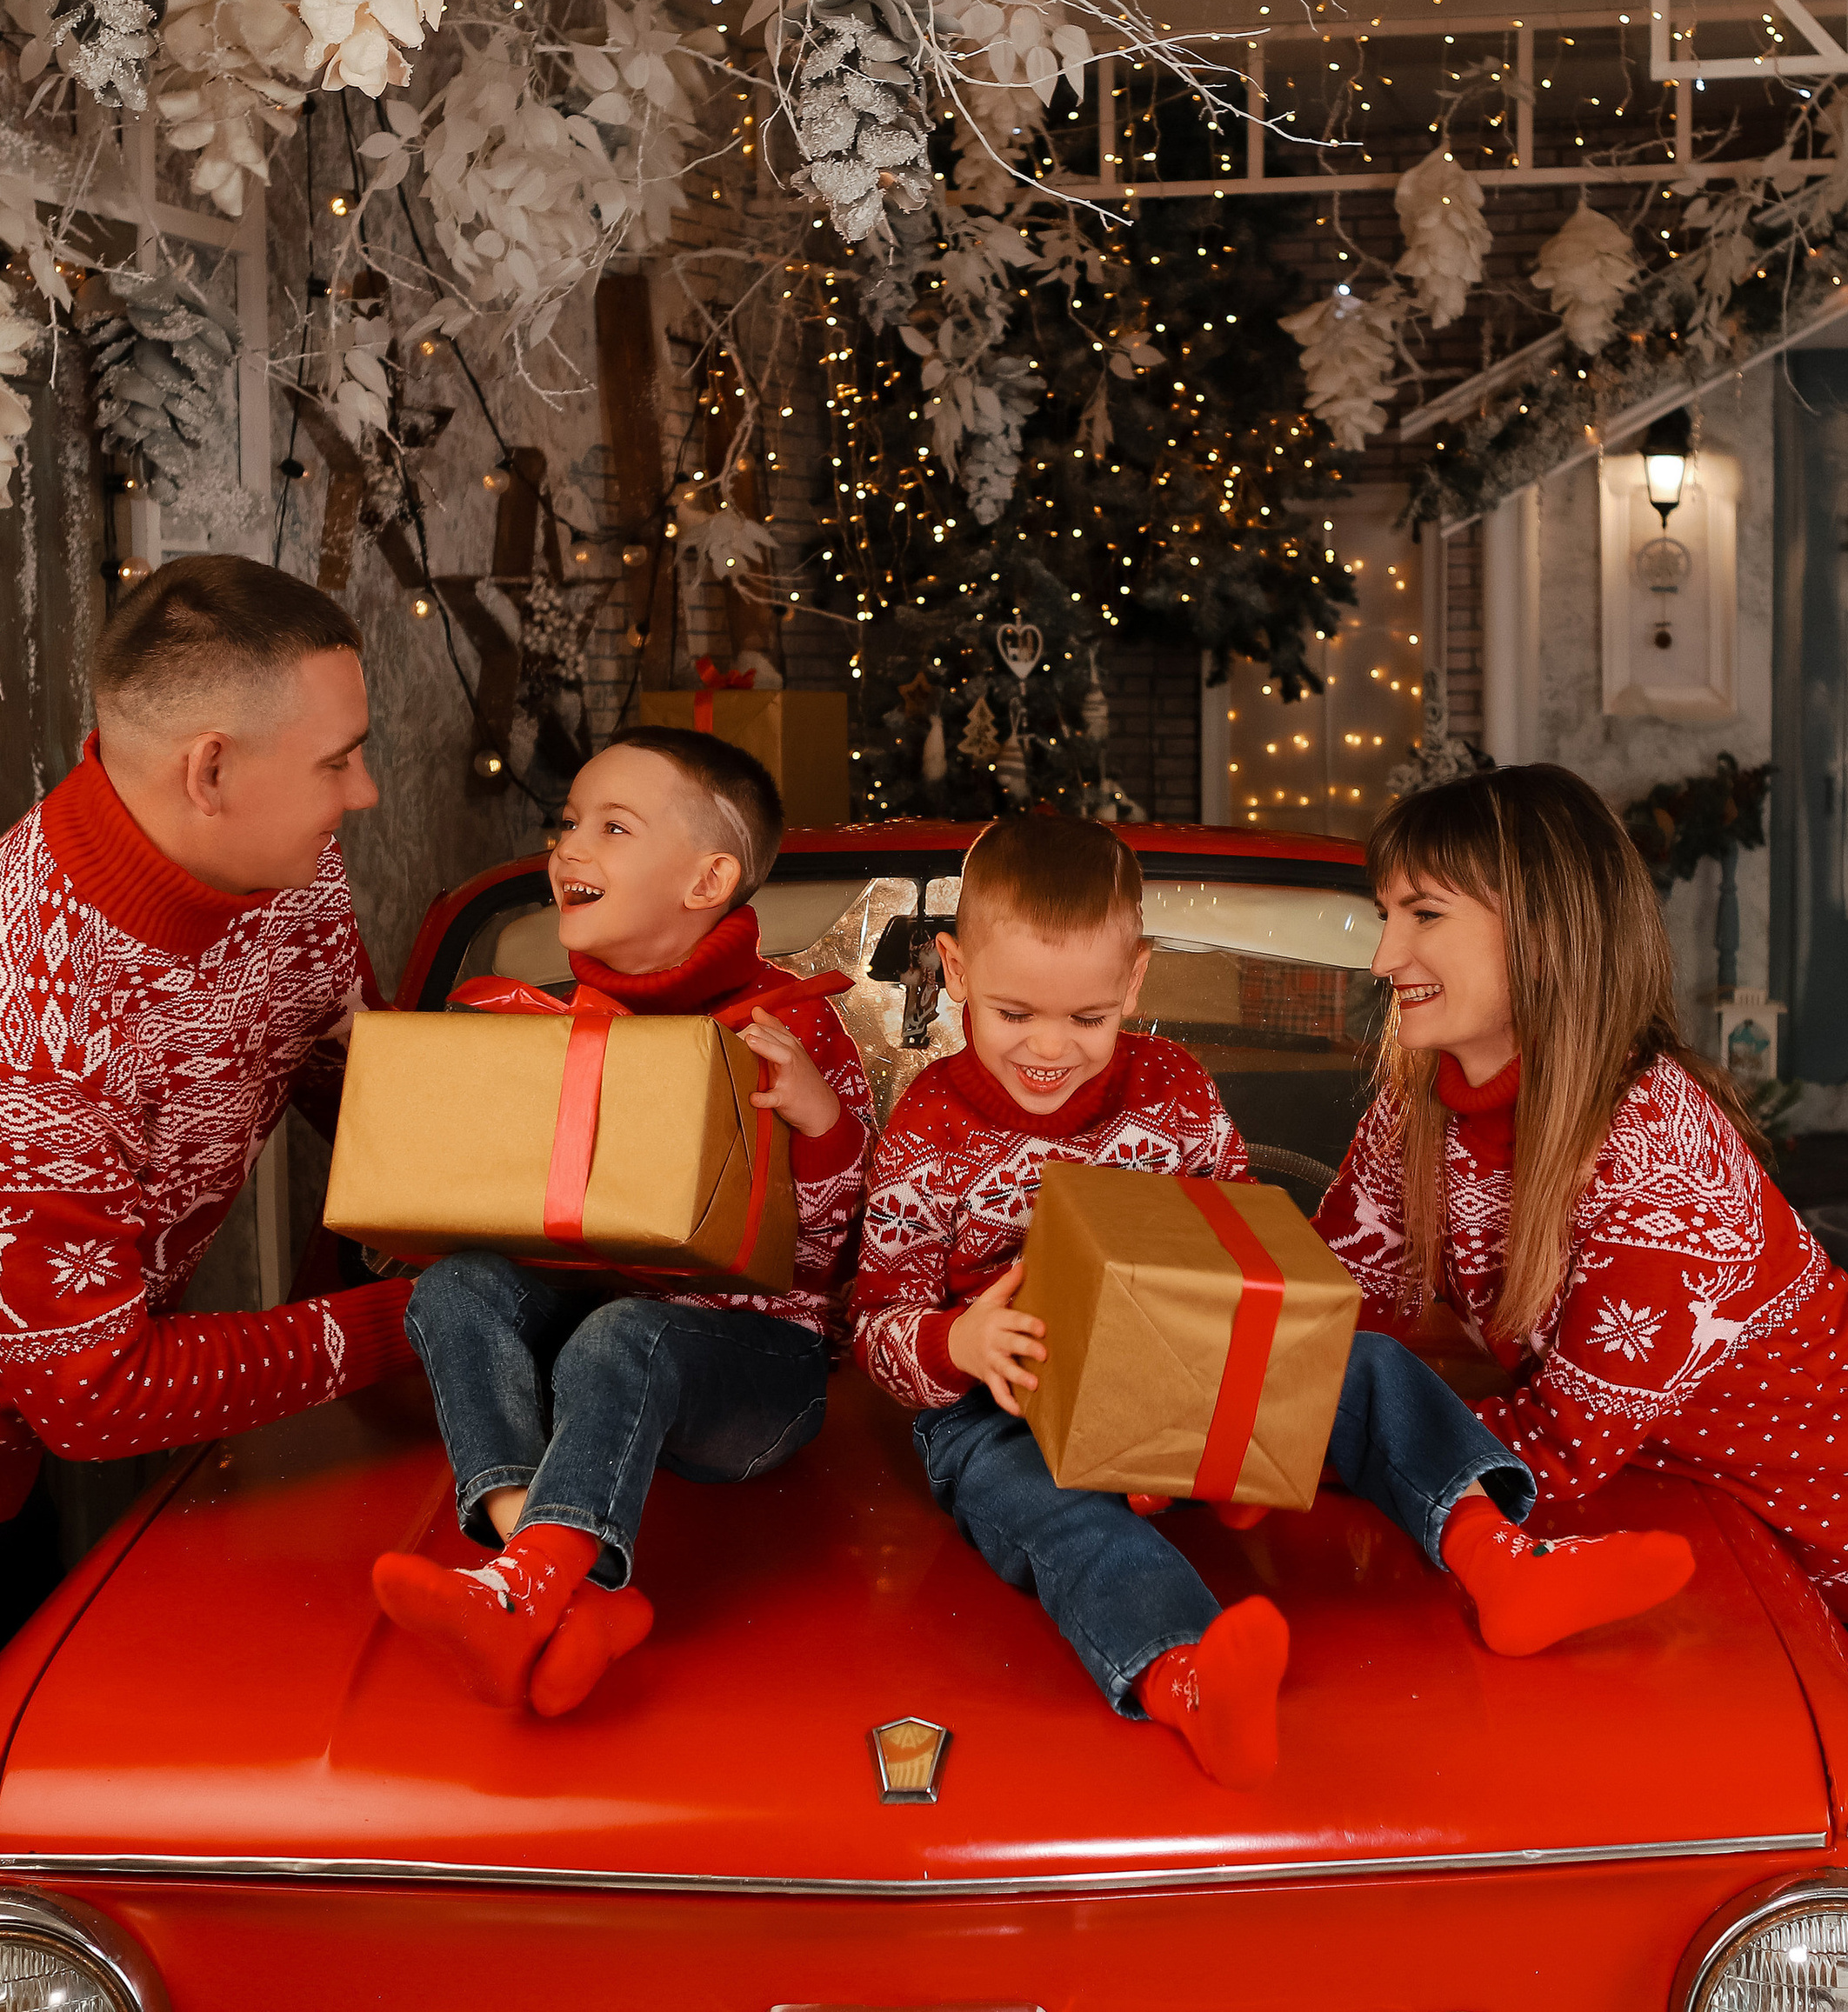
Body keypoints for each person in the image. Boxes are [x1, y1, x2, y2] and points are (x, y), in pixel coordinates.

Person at [1315, 763, 1848, 2012]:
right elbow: (1325, 1313)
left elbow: (1552, 1453)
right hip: (1835, 1578)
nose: (1386, 952)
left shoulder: (1657, 1147)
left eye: (1424, 914)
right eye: (1384, 912)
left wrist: (1331, 1444)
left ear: (1541, 927)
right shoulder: (1417, 1121)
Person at [849, 815, 1692, 1791]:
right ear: (954, 971)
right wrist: (960, 1342)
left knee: (1370, 1365)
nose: (1049, 1047)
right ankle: (1185, 1673)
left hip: (1178, 1372)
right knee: (1036, 1500)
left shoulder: (1173, 1088)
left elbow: (1238, 1245)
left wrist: (1237, 1416)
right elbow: (876, 1326)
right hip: (998, 1406)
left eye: (1086, 1018)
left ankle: (1493, 1550)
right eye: (1013, 1013)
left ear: (1134, 981)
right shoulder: (927, 1132)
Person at [371, 729, 874, 1716]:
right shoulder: (549, 1024)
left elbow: (837, 1255)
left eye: (613, 827)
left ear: (707, 880)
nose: (569, 846)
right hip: (586, 1366)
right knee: (456, 1287)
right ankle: (555, 1584)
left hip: (754, 1375)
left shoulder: (793, 1028)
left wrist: (822, 1127)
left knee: (625, 1333)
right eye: (568, 824)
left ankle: (528, 1585)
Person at [0, 556, 417, 1542]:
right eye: (337, 762)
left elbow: (358, 1083)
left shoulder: (286, 861)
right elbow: (96, 1398)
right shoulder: (35, 1031)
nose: (364, 793)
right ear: (211, 771)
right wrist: (428, 1317)